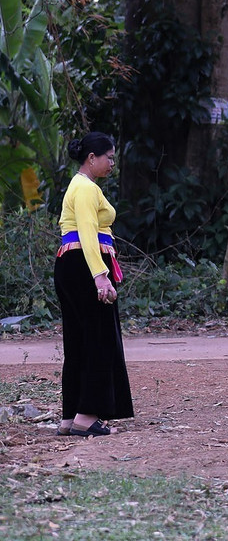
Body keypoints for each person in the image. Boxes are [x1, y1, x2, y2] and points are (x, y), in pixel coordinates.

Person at [55, 132, 133, 437]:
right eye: (109, 157)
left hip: (71, 266)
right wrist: (100, 277)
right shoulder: (86, 188)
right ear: (92, 158)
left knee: (78, 340)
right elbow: (88, 233)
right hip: (84, 266)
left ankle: (70, 416)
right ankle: (86, 417)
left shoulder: (79, 185)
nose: (112, 163)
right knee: (99, 339)